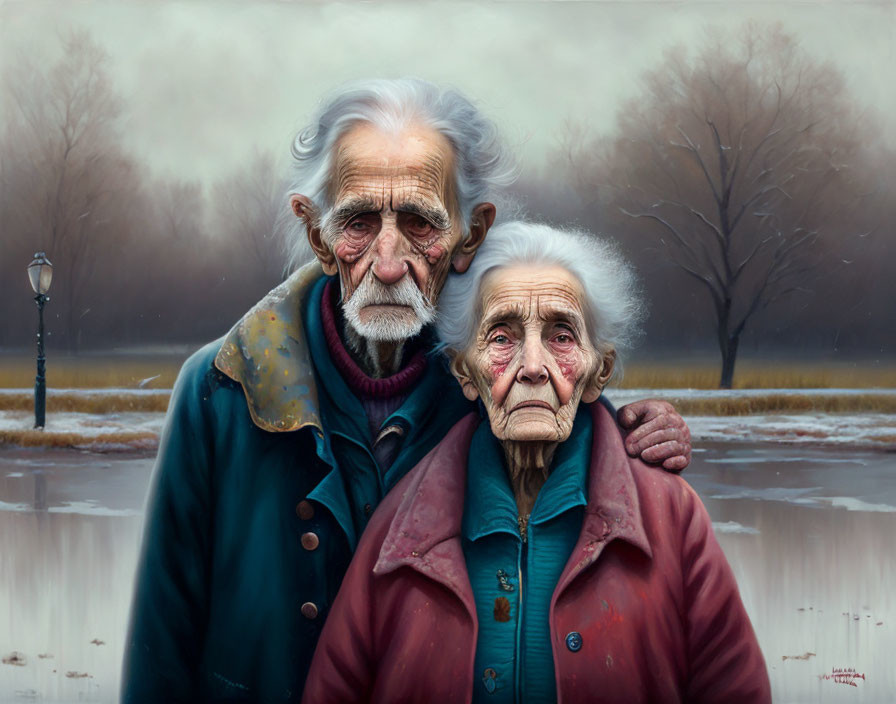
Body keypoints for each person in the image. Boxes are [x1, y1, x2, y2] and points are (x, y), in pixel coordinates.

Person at [122, 80, 693, 702]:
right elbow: (161, 650)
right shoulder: (219, 393)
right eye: (359, 222)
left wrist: (636, 435)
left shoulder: (499, 380)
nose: (388, 263)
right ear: (317, 235)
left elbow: (582, 433)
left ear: (470, 236)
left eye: (419, 222)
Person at [302, 220, 770, 704]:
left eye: (561, 336)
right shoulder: (400, 526)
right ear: (466, 372)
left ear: (598, 372)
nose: (531, 365)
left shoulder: (671, 518)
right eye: (501, 337)